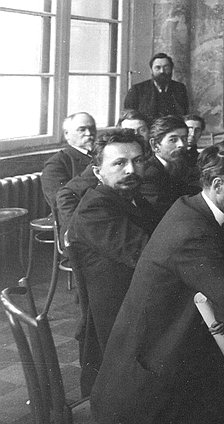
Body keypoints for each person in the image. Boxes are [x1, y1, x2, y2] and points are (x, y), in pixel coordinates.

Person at [91, 142, 224, 424]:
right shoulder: (193, 231)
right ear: (218, 186)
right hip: (147, 391)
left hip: (157, 356)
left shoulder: (190, 208)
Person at [66, 130, 160, 396]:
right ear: (98, 172)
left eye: (138, 161)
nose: (131, 169)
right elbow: (149, 254)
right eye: (119, 163)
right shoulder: (95, 209)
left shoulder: (132, 198)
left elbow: (166, 238)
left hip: (135, 305)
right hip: (118, 324)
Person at [141, 115, 201, 215]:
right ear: (155, 145)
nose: (181, 145)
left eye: (184, 138)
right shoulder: (148, 174)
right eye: (173, 140)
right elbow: (165, 211)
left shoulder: (182, 165)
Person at [41, 112, 95, 209]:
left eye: (92, 128)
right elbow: (62, 204)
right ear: (67, 134)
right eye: (82, 130)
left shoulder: (101, 154)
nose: (89, 133)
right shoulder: (56, 164)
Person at [123, 52, 188, 122]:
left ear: (171, 69)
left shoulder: (180, 88)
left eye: (166, 67)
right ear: (151, 70)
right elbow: (129, 117)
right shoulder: (137, 90)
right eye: (158, 68)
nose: (162, 71)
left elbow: (184, 114)